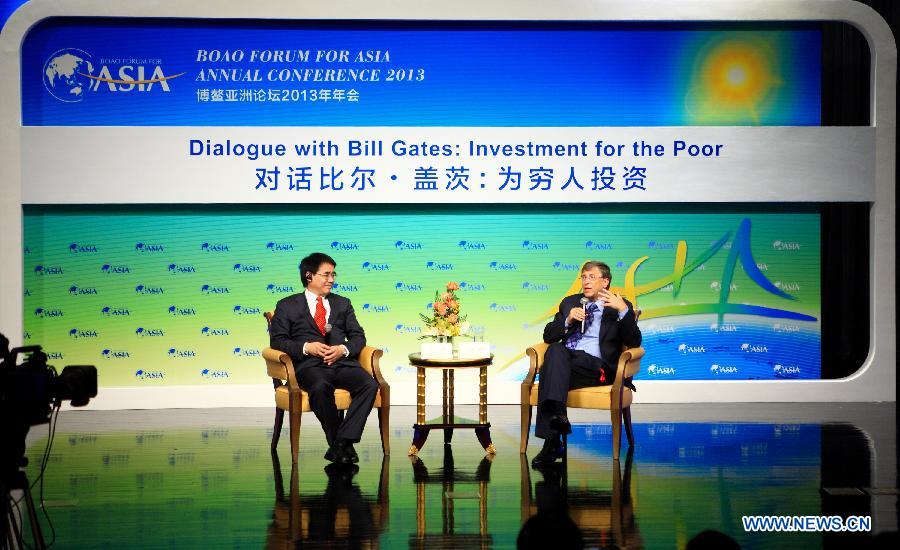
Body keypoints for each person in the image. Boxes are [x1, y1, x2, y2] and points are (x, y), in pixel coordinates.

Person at [269, 252, 379, 465]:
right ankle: (339, 443)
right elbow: (278, 342)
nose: (332, 279)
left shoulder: (343, 303)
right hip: (309, 366)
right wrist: (306, 347)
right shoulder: (287, 305)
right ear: (309, 276)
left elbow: (358, 336)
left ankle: (340, 443)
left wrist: (343, 349)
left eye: (333, 274)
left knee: (369, 384)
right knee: (320, 386)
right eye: (326, 274)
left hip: (342, 363)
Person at [531, 261, 642, 468]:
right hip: (568, 364)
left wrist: (623, 311)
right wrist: (567, 321)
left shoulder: (618, 305)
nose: (586, 281)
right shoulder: (570, 302)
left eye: (592, 277)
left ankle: (552, 442)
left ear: (605, 282)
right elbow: (548, 335)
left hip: (598, 367)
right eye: (584, 277)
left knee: (549, 369)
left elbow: (634, 342)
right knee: (555, 350)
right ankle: (558, 419)